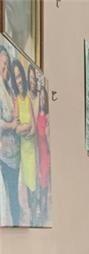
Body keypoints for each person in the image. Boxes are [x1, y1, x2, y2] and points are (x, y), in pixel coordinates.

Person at [10, 58, 36, 225]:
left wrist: (26, 128)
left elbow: (32, 126)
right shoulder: (16, 101)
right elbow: (16, 127)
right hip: (22, 150)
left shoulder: (27, 99)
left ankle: (33, 214)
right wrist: (25, 128)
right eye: (16, 77)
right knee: (25, 184)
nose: (19, 80)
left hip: (31, 149)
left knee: (33, 183)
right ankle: (28, 214)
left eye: (20, 76)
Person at [0, 46, 20, 225]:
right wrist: (11, 125)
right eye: (1, 65)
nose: (3, 70)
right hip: (3, 154)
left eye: (5, 65)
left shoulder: (9, 92)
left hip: (13, 155)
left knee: (14, 199)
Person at [35, 76, 49, 223]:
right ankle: (39, 207)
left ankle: (43, 209)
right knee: (37, 179)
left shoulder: (47, 117)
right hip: (36, 150)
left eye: (44, 99)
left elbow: (47, 137)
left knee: (43, 180)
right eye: (41, 98)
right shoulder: (37, 114)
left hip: (44, 152)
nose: (42, 101)